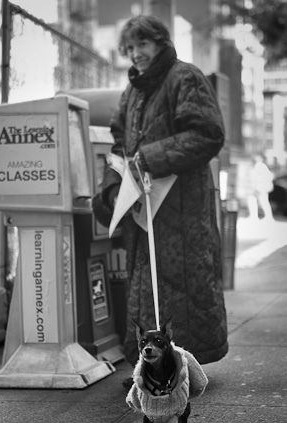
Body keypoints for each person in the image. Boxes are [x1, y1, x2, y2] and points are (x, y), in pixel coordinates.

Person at [97, 15, 228, 380]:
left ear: (160, 42)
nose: (135, 54)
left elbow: (208, 133)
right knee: (147, 287)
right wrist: (111, 186)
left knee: (183, 285)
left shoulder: (185, 77)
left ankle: (183, 368)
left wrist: (150, 157)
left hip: (183, 207)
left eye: (143, 44)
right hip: (146, 208)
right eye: (130, 47)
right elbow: (121, 146)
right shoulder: (134, 91)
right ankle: (154, 367)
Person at [247, 155, 274, 221]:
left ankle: (267, 217)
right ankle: (258, 216)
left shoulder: (259, 165)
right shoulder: (261, 165)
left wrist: (258, 183)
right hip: (261, 187)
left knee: (262, 201)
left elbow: (267, 177)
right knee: (262, 201)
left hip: (261, 188)